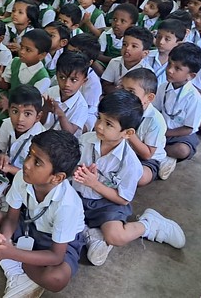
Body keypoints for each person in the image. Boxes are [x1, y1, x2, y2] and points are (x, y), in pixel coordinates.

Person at [72, 91, 186, 267]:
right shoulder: (84, 141)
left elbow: (123, 199)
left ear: (127, 133)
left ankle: (149, 225)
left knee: (116, 236)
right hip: (78, 195)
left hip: (107, 203)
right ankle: (92, 234)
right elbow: (71, 168)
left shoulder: (131, 163)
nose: (99, 126)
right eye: (99, 118)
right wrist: (78, 171)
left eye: (108, 124)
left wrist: (94, 184)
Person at [0, 130, 84, 297]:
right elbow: (12, 218)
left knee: (56, 279)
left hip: (59, 242)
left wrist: (11, 253)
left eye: (37, 162)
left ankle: (9, 259)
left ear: (57, 178)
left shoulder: (68, 205)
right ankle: (14, 269)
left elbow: (56, 256)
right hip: (29, 223)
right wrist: (4, 239)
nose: (27, 164)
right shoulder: (22, 177)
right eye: (30, 154)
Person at [0, 29, 51, 127]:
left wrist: (8, 104)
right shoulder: (15, 61)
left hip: (23, 108)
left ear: (42, 55)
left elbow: (29, 103)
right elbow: (5, 85)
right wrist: (0, 79)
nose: (22, 52)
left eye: (28, 50)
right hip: (9, 95)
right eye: (21, 47)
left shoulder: (43, 79)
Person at [153, 43, 201, 179]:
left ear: (191, 76)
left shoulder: (195, 99)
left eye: (177, 68)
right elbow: (155, 110)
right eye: (169, 64)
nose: (170, 70)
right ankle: (159, 153)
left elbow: (188, 129)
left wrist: (165, 133)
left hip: (179, 134)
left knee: (182, 150)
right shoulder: (163, 87)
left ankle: (161, 154)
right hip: (161, 129)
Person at [0, 85, 45, 203]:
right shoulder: (7, 124)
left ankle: (3, 198)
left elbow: (36, 177)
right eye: (15, 111)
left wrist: (9, 168)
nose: (20, 119)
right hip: (4, 172)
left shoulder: (42, 139)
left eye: (27, 114)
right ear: (8, 110)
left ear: (38, 117)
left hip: (25, 178)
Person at [120, 68, 167, 186]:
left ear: (149, 98)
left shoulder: (156, 120)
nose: (124, 95)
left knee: (139, 178)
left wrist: (127, 131)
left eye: (131, 92)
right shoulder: (119, 110)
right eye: (122, 89)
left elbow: (147, 154)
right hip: (123, 151)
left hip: (147, 159)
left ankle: (165, 163)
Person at [41, 51, 90, 136]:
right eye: (62, 77)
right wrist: (45, 109)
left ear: (84, 81)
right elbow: (40, 122)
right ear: (56, 76)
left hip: (63, 142)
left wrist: (61, 115)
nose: (67, 84)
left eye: (73, 80)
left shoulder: (81, 106)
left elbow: (70, 132)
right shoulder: (49, 92)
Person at [101, 26, 153, 93]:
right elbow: (106, 85)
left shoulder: (147, 72)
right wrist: (120, 93)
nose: (127, 48)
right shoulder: (114, 62)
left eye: (134, 46)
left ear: (144, 53)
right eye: (124, 44)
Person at [68, 33, 102, 131]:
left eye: (76, 53)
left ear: (90, 62)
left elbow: (89, 110)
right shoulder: (64, 69)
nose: (70, 57)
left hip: (83, 117)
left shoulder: (93, 83)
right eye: (69, 52)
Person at [96, 3, 138, 75]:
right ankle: (105, 79)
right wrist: (114, 60)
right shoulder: (106, 34)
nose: (117, 23)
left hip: (124, 65)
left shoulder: (134, 38)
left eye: (123, 21)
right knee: (95, 63)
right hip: (107, 64)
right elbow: (98, 55)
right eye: (115, 19)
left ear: (132, 25)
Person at [146, 19, 185, 84]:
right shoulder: (146, 56)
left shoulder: (180, 64)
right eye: (158, 37)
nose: (161, 42)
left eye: (167, 39)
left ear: (178, 43)